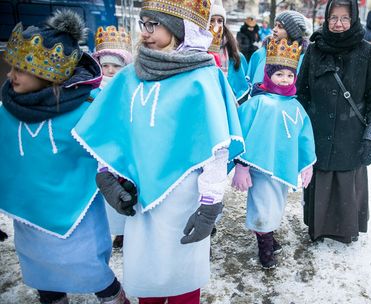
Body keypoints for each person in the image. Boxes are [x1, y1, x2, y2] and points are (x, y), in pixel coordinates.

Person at [72, 0, 245, 302]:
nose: (145, 33)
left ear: (177, 29)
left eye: (154, 24)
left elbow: (216, 148)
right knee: (145, 275)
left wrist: (210, 202)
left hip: (186, 198)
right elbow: (111, 132)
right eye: (143, 24)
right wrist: (107, 177)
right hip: (140, 199)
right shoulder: (129, 76)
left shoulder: (203, 77)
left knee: (183, 276)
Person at [0, 10, 128, 304]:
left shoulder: (84, 111)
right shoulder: (6, 112)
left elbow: (113, 146)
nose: (10, 75)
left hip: (77, 213)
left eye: (20, 69)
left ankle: (112, 295)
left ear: (46, 73)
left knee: (88, 264)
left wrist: (117, 179)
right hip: (29, 215)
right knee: (39, 266)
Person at [296, 0, 371, 243]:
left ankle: (345, 230)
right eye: (333, 18)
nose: (338, 23)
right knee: (321, 180)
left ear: (354, 19)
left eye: (345, 18)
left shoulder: (368, 52)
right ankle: (318, 227)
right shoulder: (315, 50)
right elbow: (302, 92)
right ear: (326, 19)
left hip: (352, 134)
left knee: (346, 182)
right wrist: (300, 132)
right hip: (318, 133)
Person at [231, 38, 316, 269]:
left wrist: (306, 163)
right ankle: (264, 246)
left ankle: (268, 235)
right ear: (268, 75)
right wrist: (241, 164)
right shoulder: (257, 104)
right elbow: (241, 131)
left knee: (275, 205)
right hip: (259, 168)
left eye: (290, 75)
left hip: (282, 168)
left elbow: (304, 136)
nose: (285, 79)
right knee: (263, 206)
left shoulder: (296, 107)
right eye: (279, 75)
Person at [91, 25, 133, 249]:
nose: (110, 70)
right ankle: (115, 230)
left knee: (124, 188)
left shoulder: (130, 88)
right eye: (105, 65)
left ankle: (126, 230)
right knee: (105, 193)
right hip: (100, 148)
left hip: (123, 148)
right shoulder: (92, 91)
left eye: (115, 66)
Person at [246, 10, 307, 85]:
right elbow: (249, 82)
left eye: (280, 27)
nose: (274, 29)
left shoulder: (305, 58)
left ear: (293, 32)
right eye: (275, 25)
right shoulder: (260, 54)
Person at [208, 0, 250, 103]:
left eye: (219, 21)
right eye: (211, 20)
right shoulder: (195, 52)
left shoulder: (236, 57)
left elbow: (241, 90)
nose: (216, 25)